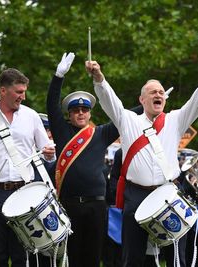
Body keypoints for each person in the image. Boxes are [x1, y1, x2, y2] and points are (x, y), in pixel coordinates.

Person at [86, 58, 198, 266]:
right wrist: (98, 77)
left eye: (161, 92)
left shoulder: (175, 120)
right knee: (132, 255)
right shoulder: (128, 120)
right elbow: (109, 99)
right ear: (141, 99)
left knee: (176, 256)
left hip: (167, 192)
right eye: (153, 92)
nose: (158, 95)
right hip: (135, 194)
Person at [46, 53, 143, 266]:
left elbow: (125, 116)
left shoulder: (100, 133)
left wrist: (148, 105)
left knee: (92, 256)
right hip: (69, 203)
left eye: (84, 110)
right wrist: (58, 76)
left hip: (96, 204)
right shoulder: (63, 132)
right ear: (69, 115)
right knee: (71, 255)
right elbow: (51, 106)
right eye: (75, 110)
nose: (80, 113)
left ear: (90, 113)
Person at [0, 68, 55, 267]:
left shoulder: (31, 116)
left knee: (21, 255)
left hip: (23, 192)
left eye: (24, 91)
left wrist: (49, 153)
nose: (23, 96)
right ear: (3, 91)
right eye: (18, 92)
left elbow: (46, 150)